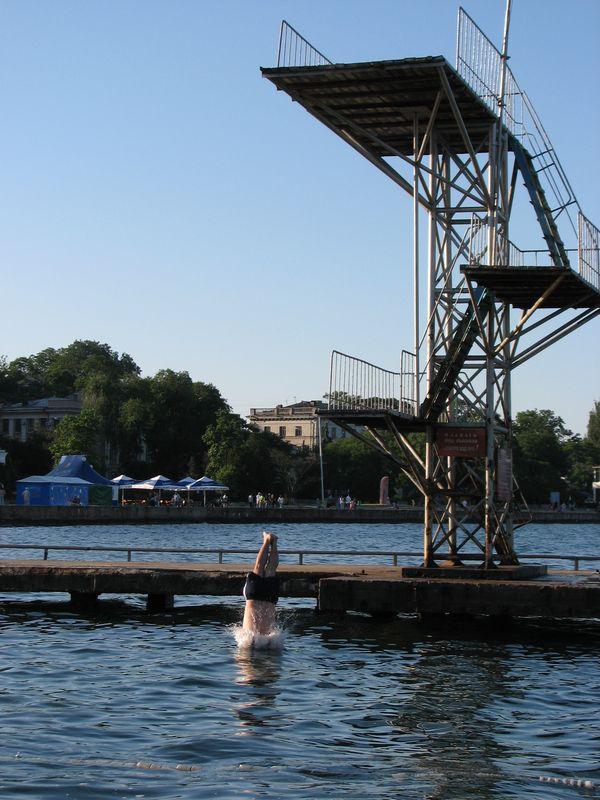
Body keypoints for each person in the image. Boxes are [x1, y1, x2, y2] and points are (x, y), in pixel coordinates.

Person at [242, 532, 279, 635]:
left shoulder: (249, 640)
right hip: (255, 595)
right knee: (260, 567)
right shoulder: (270, 643)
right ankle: (270, 541)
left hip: (269, 597)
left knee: (270, 569)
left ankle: (271, 541)